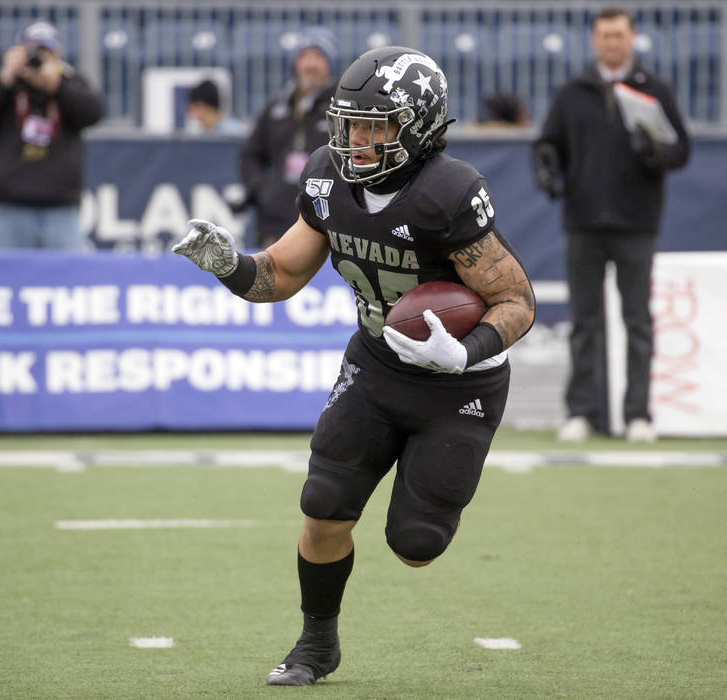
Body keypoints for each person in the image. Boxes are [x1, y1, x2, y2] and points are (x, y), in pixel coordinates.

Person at [173, 46, 536, 686]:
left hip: (458, 384)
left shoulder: (448, 193)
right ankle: (316, 645)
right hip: (376, 363)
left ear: (420, 127)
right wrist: (229, 265)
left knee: (417, 544)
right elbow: (281, 272)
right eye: (351, 123)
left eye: (377, 125)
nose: (358, 140)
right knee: (323, 504)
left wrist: (466, 350)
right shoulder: (327, 178)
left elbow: (515, 299)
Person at [532, 6, 690, 443]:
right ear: (593, 39)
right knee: (585, 322)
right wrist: (546, 171)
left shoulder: (655, 90)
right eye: (605, 35)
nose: (613, 42)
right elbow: (548, 145)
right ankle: (581, 412)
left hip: (637, 224)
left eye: (619, 35)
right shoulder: (573, 92)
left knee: (637, 321)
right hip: (583, 223)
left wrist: (653, 151)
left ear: (633, 37)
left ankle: (638, 414)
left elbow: (680, 151)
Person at [0, 20, 103, 250]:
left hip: (61, 206)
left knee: (65, 280)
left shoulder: (70, 81)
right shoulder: (4, 84)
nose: (38, 59)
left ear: (57, 55)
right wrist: (6, 77)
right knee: (11, 278)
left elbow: (93, 114)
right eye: (33, 51)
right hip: (10, 205)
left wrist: (57, 85)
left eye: (46, 52)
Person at [238, 27, 338, 248]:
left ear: (329, 63)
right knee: (272, 278)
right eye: (304, 56)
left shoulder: (341, 107)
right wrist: (263, 190)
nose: (310, 64)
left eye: (318, 56)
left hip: (326, 222)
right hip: (276, 223)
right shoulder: (277, 108)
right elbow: (250, 155)